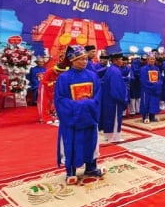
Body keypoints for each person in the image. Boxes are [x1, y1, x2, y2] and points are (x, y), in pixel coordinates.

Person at [54, 45, 103, 185]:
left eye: (85, 59)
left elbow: (98, 95)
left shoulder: (92, 76)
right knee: (72, 143)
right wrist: (81, 105)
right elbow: (60, 100)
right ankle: (70, 171)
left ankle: (91, 168)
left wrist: (88, 105)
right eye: (80, 59)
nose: (84, 62)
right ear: (72, 60)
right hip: (73, 119)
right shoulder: (64, 78)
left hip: (89, 117)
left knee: (91, 142)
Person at [100, 53, 128, 142]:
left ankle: (108, 136)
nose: (122, 61)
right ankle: (114, 137)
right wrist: (122, 99)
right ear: (115, 60)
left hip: (109, 98)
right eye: (120, 59)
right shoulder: (115, 71)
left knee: (109, 118)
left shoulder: (112, 69)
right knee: (114, 118)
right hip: (114, 100)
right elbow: (116, 88)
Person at [139, 53, 163, 123]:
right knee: (146, 103)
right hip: (147, 90)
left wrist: (157, 84)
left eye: (153, 59)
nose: (152, 60)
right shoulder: (143, 69)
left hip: (155, 90)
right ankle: (145, 117)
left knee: (154, 102)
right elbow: (143, 80)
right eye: (150, 59)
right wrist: (153, 85)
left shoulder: (156, 68)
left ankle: (152, 116)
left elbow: (160, 79)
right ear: (147, 60)